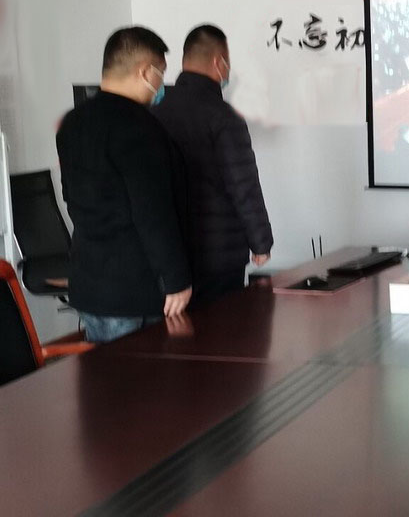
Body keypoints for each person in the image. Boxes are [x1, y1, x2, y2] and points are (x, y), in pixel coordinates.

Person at [56, 27, 191, 343]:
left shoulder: (72, 122)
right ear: (145, 71)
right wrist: (176, 279)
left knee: (103, 373)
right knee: (142, 374)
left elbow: (70, 196)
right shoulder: (139, 126)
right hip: (133, 290)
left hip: (89, 282)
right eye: (160, 73)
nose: (161, 83)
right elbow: (153, 212)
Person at [153, 25, 272, 304]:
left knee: (178, 329)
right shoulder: (224, 117)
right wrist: (261, 242)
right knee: (220, 328)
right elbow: (243, 186)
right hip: (219, 255)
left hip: (170, 254)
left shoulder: (156, 112)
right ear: (219, 63)